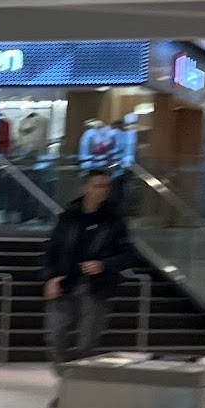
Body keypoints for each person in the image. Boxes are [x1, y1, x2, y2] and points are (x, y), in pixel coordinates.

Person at [42, 168, 130, 395]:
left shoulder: (114, 220)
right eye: (97, 186)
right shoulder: (69, 217)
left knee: (86, 342)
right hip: (66, 282)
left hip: (96, 287)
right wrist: (51, 278)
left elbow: (127, 255)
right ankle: (67, 381)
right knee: (54, 335)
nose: (102, 191)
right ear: (85, 187)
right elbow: (52, 250)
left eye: (106, 187)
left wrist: (104, 265)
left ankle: (72, 391)